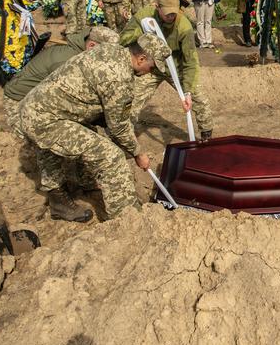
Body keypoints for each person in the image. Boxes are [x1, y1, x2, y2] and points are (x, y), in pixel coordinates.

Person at [18, 34, 170, 220]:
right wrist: (138, 153)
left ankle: (63, 196)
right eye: (152, 67)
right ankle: (127, 218)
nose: (150, 72)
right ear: (141, 58)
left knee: (83, 139)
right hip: (46, 120)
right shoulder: (119, 78)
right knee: (110, 157)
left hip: (35, 107)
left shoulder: (112, 50)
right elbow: (118, 128)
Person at [3, 26, 120, 222]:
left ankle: (84, 180)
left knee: (84, 131)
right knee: (49, 140)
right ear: (91, 46)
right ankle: (58, 201)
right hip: (21, 105)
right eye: (105, 54)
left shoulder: (81, 55)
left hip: (41, 102)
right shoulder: (67, 61)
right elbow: (61, 104)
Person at [119, 0, 215, 141]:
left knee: (200, 100)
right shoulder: (145, 16)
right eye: (167, 13)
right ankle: (123, 137)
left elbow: (190, 61)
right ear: (157, 7)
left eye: (173, 13)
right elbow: (122, 39)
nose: (171, 16)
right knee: (131, 98)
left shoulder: (184, 27)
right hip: (151, 68)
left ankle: (206, 136)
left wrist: (188, 91)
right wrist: (141, 32)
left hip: (176, 68)